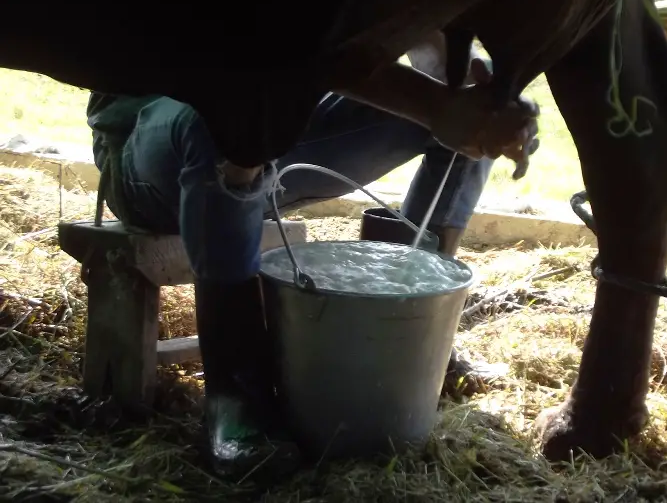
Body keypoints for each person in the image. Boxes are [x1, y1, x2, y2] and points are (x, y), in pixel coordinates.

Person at [86, 32, 537, 480]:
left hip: (276, 113)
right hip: (147, 141)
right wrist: (435, 107)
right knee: (228, 115)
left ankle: (411, 335)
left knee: (478, 108)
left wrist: (470, 100)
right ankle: (236, 394)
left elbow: (414, 42)